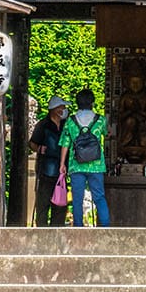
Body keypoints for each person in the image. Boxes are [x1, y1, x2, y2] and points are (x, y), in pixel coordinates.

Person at [60, 87, 109, 227]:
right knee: (99, 197)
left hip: (76, 164)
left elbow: (65, 143)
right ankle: (105, 227)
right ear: (92, 103)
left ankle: (78, 227)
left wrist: (62, 164)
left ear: (77, 103)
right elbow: (107, 133)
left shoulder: (70, 121)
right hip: (96, 165)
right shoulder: (100, 120)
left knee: (77, 198)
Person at [29, 97, 69, 227]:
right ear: (54, 109)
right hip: (45, 169)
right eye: (61, 107)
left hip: (62, 171)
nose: (64, 110)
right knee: (43, 202)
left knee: (60, 202)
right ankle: (42, 229)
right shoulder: (43, 125)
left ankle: (58, 228)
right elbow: (32, 143)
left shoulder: (66, 125)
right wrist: (39, 148)